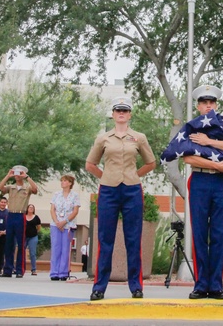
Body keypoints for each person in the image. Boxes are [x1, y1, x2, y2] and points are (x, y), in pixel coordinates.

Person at [85, 96, 156, 301]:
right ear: (113, 114)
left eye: (125, 110)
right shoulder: (103, 138)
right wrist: (106, 177)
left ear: (130, 114)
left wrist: (133, 175)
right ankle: (99, 287)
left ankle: (136, 286)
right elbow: (90, 164)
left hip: (132, 190)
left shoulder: (139, 137)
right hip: (108, 191)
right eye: (118, 110)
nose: (122, 114)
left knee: (133, 239)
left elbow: (150, 163)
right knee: (105, 240)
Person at [185, 85, 223, 300]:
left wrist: (209, 142)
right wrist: (217, 164)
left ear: (216, 105)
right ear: (198, 106)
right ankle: (201, 285)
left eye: (211, 102)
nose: (208, 105)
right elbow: (188, 157)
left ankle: (216, 285)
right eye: (204, 102)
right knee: (199, 233)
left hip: (220, 183)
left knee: (219, 233)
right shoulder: (191, 127)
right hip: (200, 179)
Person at [0, 165, 38, 278]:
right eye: (16, 173)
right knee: (8, 243)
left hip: (21, 215)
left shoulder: (27, 188)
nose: (17, 175)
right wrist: (8, 175)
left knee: (21, 244)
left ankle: (20, 270)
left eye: (19, 173)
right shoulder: (11, 187)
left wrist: (27, 177)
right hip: (10, 214)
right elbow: (0, 187)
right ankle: (7, 269)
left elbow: (35, 189)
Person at [50, 175, 80, 281]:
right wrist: (57, 222)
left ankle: (63, 272)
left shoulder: (75, 195)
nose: (62, 182)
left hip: (68, 225)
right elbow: (52, 209)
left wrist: (65, 221)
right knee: (56, 248)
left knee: (65, 249)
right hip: (56, 224)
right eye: (62, 181)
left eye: (65, 181)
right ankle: (54, 272)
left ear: (70, 183)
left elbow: (75, 211)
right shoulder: (56, 194)